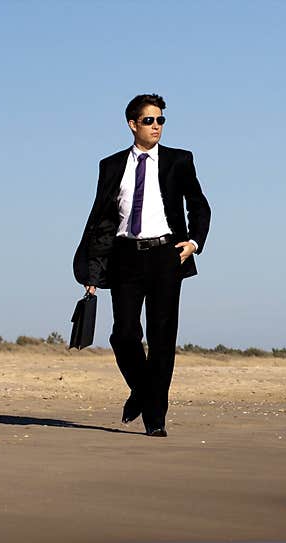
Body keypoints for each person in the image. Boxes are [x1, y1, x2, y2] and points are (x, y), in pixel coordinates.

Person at [74, 93, 210, 437]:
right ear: (133, 124)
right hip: (125, 256)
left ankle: (155, 419)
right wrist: (93, 274)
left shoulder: (180, 160)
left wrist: (193, 243)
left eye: (161, 120)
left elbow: (199, 205)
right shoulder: (111, 165)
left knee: (162, 339)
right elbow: (103, 222)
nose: (156, 127)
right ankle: (143, 391)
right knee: (123, 334)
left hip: (167, 255)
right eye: (149, 120)